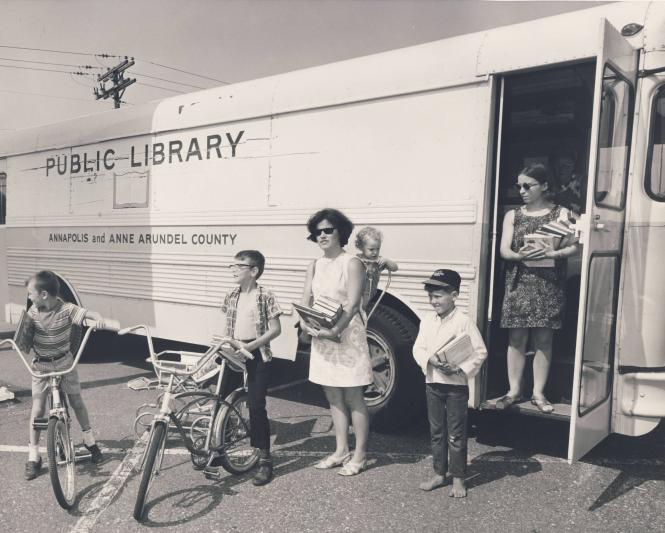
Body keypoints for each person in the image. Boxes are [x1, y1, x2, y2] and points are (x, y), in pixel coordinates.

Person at [497, 164, 580, 413]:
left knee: (544, 339)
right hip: (519, 281)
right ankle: (514, 390)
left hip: (549, 283)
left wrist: (555, 252)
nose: (521, 191)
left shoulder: (561, 214)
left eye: (527, 185)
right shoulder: (513, 215)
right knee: (516, 338)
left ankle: (538, 393)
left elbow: (574, 246)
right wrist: (517, 256)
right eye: (519, 186)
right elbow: (503, 250)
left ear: (544, 186)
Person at [300, 208, 372, 476]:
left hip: (347, 336)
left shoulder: (352, 263)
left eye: (328, 230)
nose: (322, 235)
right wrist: (305, 324)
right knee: (332, 395)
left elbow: (353, 304)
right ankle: (341, 450)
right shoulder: (314, 265)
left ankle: (360, 455)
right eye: (317, 232)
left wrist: (337, 330)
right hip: (323, 335)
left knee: (354, 396)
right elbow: (305, 299)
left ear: (340, 232)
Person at [24, 270, 109, 480]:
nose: (29, 298)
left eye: (30, 293)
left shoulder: (67, 309)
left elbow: (89, 314)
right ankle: (33, 455)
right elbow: (22, 337)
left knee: (77, 402)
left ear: (44, 294)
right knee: (37, 409)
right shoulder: (32, 313)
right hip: (41, 367)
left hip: (64, 363)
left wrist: (98, 319)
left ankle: (90, 442)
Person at [412, 269, 487, 498]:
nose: (434, 301)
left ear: (454, 295)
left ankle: (458, 478)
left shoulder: (464, 322)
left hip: (456, 386)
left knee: (456, 434)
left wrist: (460, 368)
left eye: (439, 296)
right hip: (433, 383)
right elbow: (418, 348)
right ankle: (439, 473)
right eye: (431, 296)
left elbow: (480, 352)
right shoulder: (427, 321)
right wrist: (430, 360)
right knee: (437, 432)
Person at [220, 250, 283, 486]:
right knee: (223, 400)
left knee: (256, 405)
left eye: (239, 266)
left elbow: (276, 329)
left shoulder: (265, 295)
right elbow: (229, 322)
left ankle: (265, 459)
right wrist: (228, 345)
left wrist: (252, 345)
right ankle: (221, 448)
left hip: (256, 352)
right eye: (232, 265)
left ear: (254, 271)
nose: (233, 269)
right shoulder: (231, 294)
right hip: (232, 351)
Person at [354, 226, 399, 312]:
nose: (375, 252)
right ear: (361, 247)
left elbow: (395, 268)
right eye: (371, 249)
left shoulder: (378, 261)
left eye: (378, 249)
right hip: (357, 295)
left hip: (370, 296)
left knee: (365, 315)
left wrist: (386, 261)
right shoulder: (356, 260)